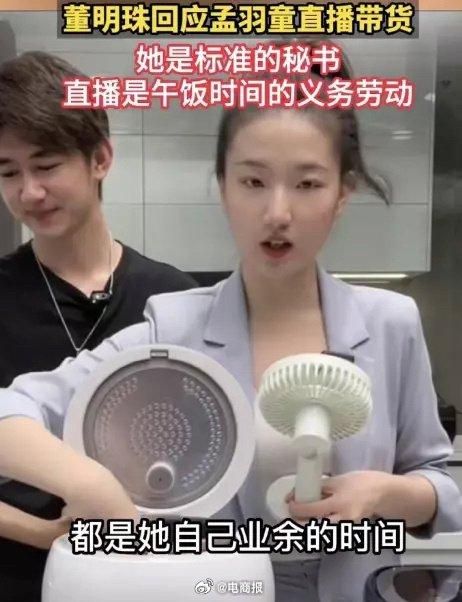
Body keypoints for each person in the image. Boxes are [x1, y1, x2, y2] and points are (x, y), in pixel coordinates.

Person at [0, 43, 461, 602]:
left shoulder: (391, 324)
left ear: (344, 192)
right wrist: (89, 483)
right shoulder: (171, 326)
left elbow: (439, 482)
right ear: (222, 186)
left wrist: (390, 495)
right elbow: (12, 410)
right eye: (253, 182)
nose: (277, 213)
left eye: (308, 184)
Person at [0, 51, 196, 602]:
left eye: (46, 166)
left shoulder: (175, 300)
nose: (29, 192)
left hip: (151, 579)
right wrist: (45, 534)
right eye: (9, 172)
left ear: (100, 158)